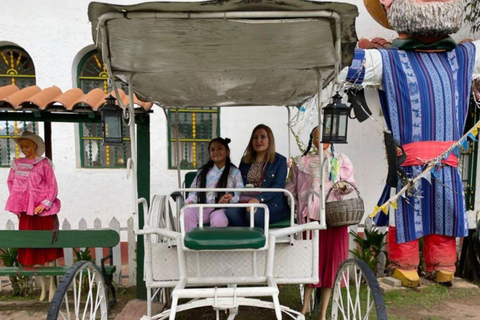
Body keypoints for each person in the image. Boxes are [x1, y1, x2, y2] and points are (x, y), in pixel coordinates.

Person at [341, 0, 480, 286]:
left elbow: (345, 68)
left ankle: (407, 265)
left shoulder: (387, 60)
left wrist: (359, 49)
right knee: (443, 208)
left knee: (407, 209)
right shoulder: (464, 56)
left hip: (412, 160)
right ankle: (442, 264)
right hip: (445, 160)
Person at [286, 126, 356, 320]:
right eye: (317, 137)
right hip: (310, 217)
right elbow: (291, 188)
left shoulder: (340, 160)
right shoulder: (302, 163)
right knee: (311, 261)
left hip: (335, 216)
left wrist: (343, 187)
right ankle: (305, 306)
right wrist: (296, 200)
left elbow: (350, 184)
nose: (321, 141)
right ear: (313, 139)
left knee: (331, 264)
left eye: (325, 137)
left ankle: (323, 313)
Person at [5, 130, 62, 302]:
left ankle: (53, 286)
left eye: (27, 146)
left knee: (47, 250)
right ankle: (43, 287)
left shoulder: (43, 164)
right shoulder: (16, 164)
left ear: (35, 146)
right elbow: (11, 183)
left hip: (42, 213)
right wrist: (18, 201)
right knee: (33, 249)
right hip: (26, 213)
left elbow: (52, 186)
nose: (24, 150)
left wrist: (45, 203)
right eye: (22, 147)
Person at [225, 124, 288, 228]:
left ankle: (259, 242)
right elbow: (238, 182)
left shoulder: (280, 161)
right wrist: (231, 194)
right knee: (231, 212)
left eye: (263, 137)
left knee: (253, 213)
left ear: (270, 140)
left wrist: (258, 199)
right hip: (245, 202)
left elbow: (278, 186)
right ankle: (245, 240)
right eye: (255, 137)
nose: (259, 140)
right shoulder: (245, 160)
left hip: (271, 204)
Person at [184, 137, 244, 232]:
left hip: (221, 209)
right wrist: (191, 202)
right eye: (212, 149)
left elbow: (239, 194)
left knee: (219, 220)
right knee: (188, 213)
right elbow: (193, 192)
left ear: (227, 151)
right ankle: (192, 244)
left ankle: (215, 246)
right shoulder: (202, 172)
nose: (216, 152)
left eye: (220, 148)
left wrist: (229, 198)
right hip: (203, 207)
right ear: (209, 153)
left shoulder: (235, 172)